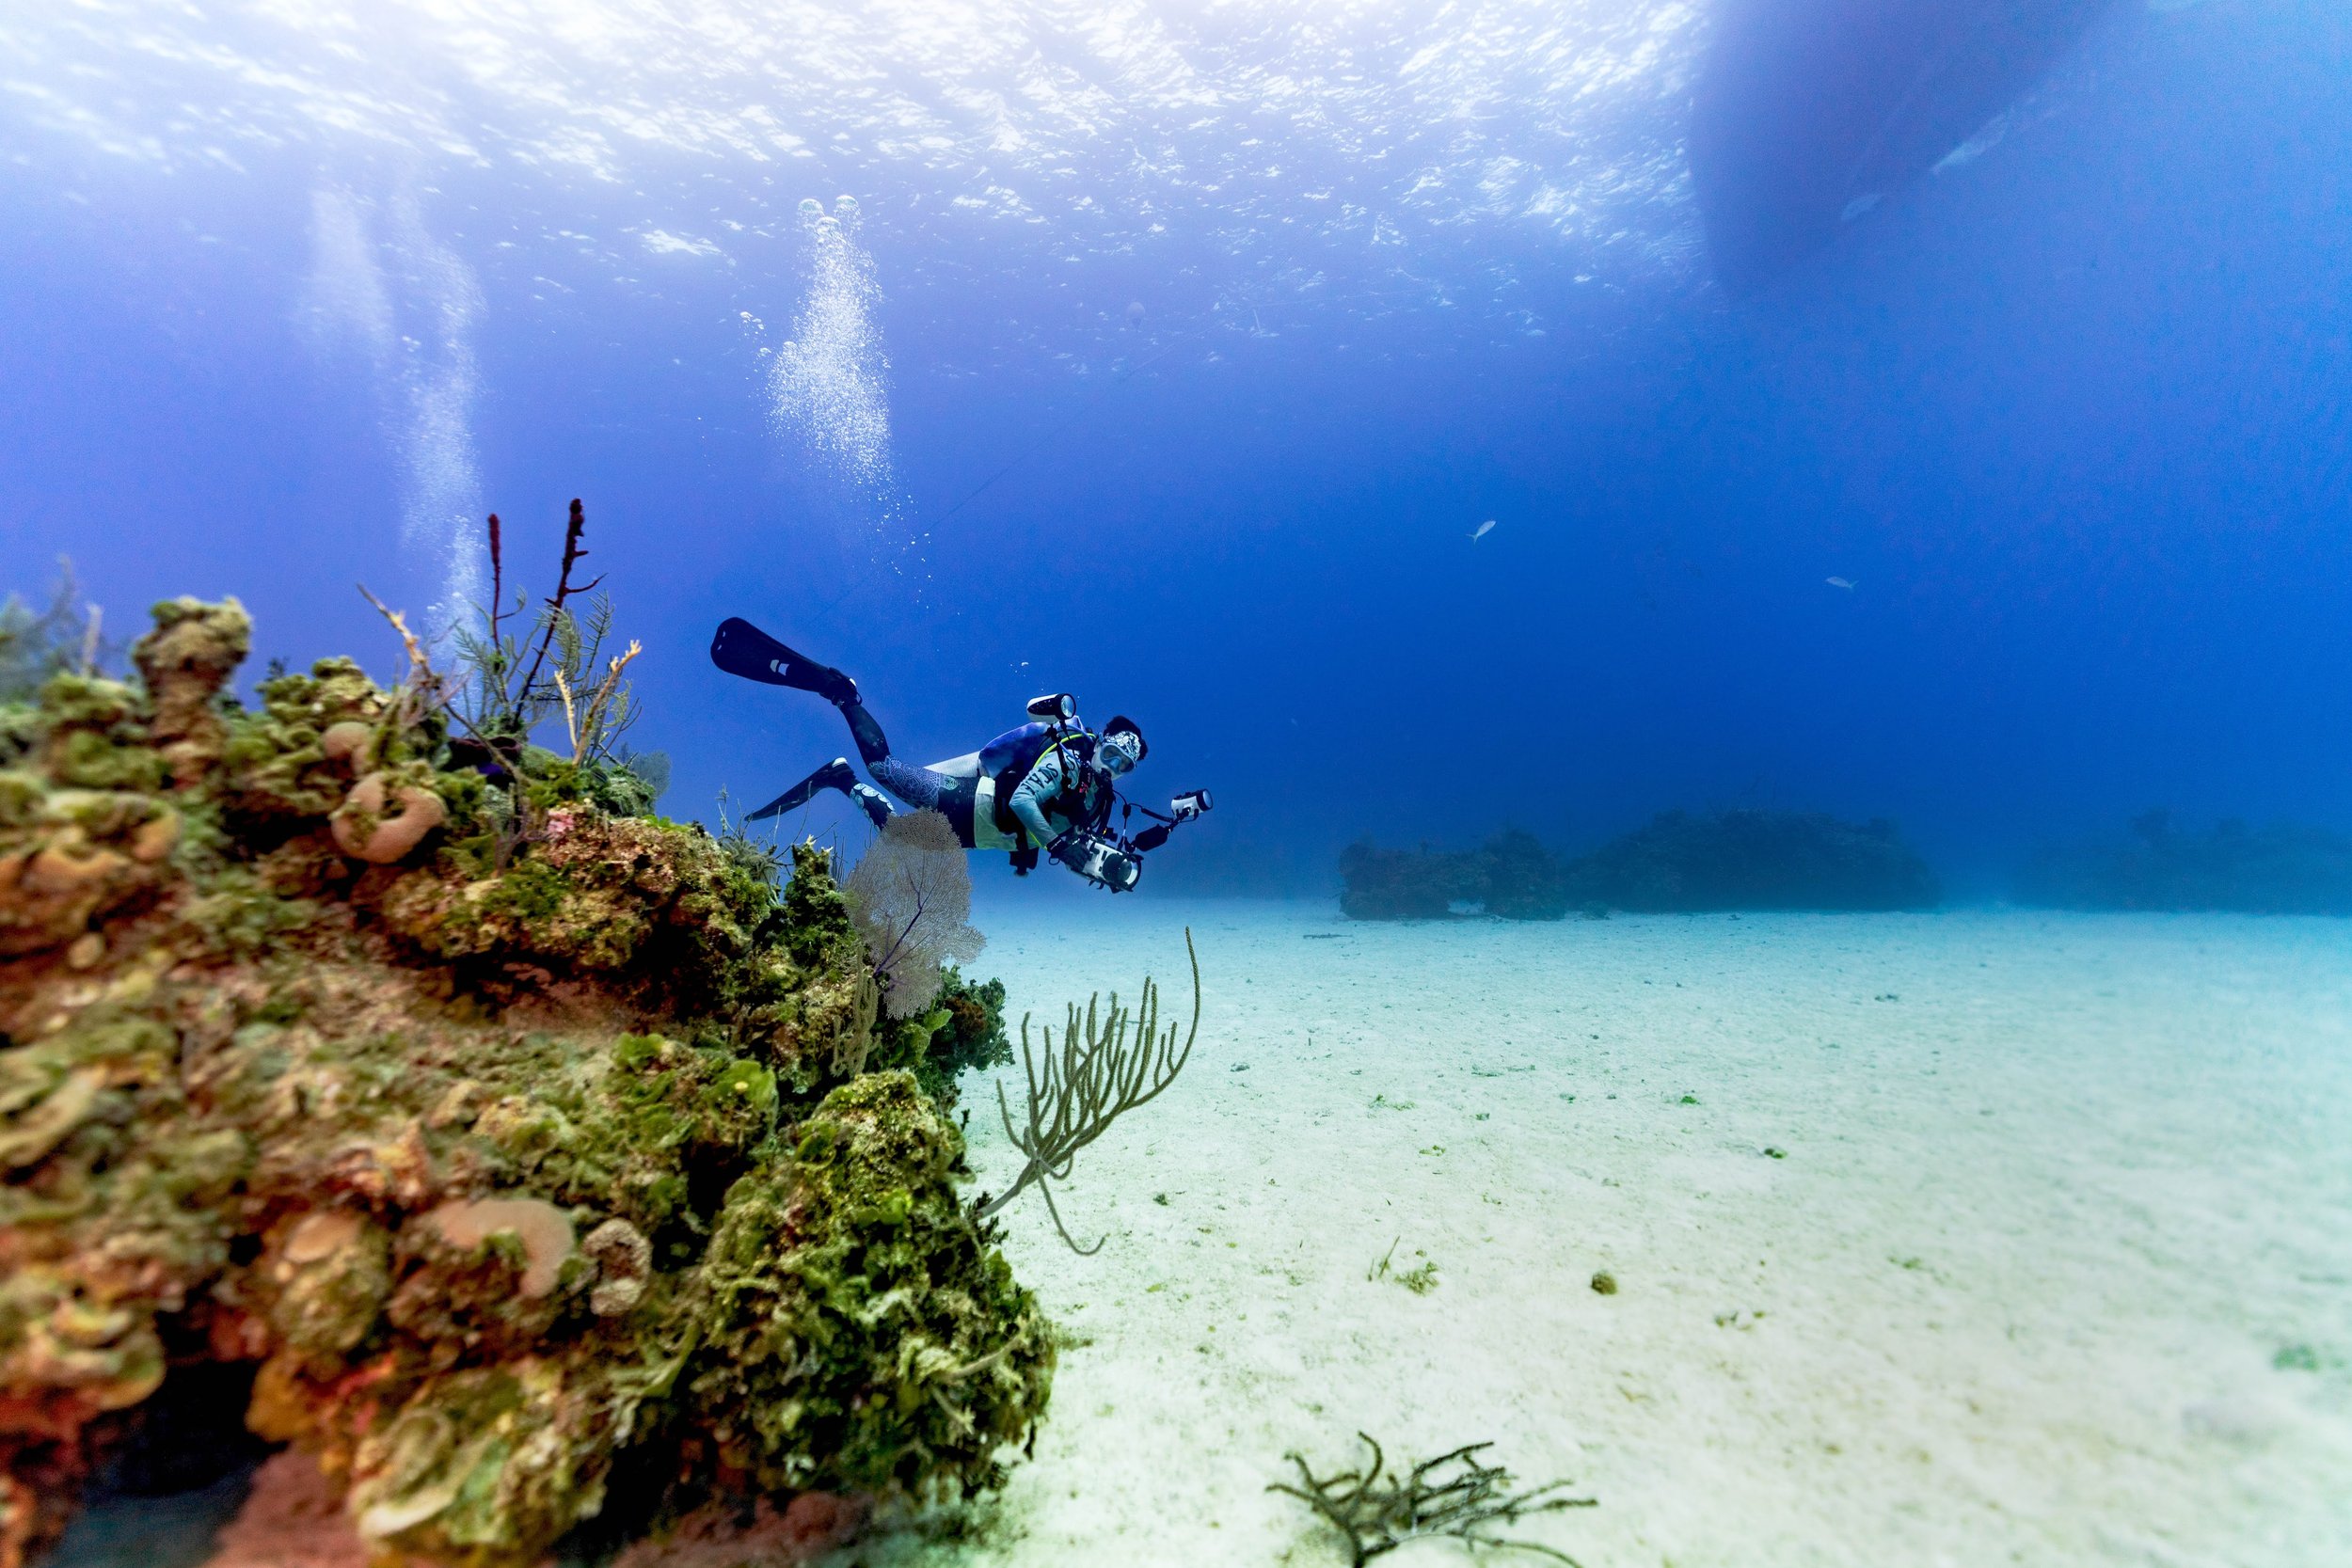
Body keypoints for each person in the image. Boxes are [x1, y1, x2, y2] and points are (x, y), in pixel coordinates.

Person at [709, 617, 1157, 887]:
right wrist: (1061, 844)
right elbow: (1023, 801)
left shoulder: (1099, 799)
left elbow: (1064, 840)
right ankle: (841, 693)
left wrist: (1101, 866)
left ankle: (840, 776)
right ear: (1099, 743)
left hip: (979, 836)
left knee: (898, 835)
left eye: (1124, 766)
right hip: (969, 803)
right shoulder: (1066, 761)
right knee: (885, 769)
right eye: (1112, 755)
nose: (1113, 768)